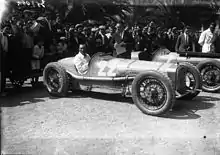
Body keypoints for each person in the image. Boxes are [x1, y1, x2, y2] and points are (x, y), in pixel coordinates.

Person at [0, 27, 9, 96]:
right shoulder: (0, 35)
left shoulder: (6, 37)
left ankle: (3, 89)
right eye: (5, 29)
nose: (6, 31)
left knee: (3, 74)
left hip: (4, 56)